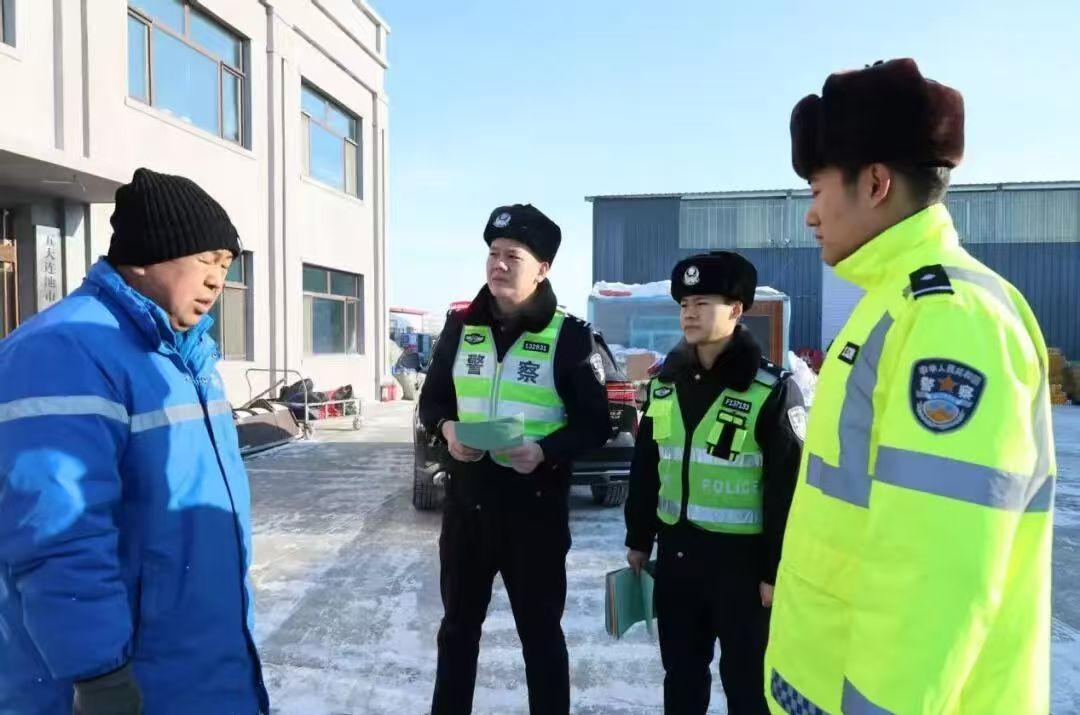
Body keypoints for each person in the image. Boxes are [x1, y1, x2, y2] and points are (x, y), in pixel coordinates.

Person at [765, 59, 1055, 714]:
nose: (810, 215)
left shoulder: (951, 318)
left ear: (875, 183)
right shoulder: (891, 304)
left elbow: (933, 574)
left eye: (816, 188)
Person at [0, 168, 269, 714]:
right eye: (205, 260)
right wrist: (99, 674)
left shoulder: (186, 358)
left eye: (225, 265)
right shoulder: (63, 350)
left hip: (198, 666)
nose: (217, 281)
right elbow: (58, 531)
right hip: (127, 679)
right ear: (145, 256)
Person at [420, 203, 612, 714]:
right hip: (467, 508)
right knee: (457, 631)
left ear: (542, 269)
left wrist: (544, 452)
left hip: (535, 512)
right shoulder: (461, 327)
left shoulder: (570, 336)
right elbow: (432, 402)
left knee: (541, 636)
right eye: (493, 253)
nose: (499, 264)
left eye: (513, 256)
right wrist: (448, 429)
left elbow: (596, 423)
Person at [625, 251, 805, 715]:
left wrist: (774, 570)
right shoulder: (665, 384)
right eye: (685, 304)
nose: (690, 313)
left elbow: (786, 488)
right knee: (681, 679)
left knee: (748, 687)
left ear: (736, 310)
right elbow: (647, 466)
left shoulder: (771, 389)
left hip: (742, 567)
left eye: (703, 303)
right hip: (678, 557)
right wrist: (639, 538)